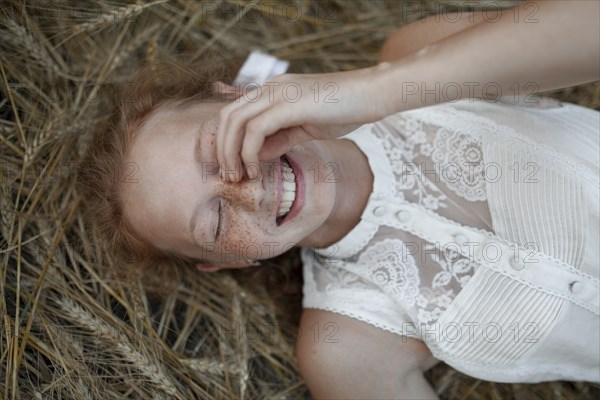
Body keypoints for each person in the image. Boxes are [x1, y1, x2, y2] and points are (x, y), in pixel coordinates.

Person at [78, 1, 599, 398]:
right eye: (214, 220)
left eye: (221, 150)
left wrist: (375, 90)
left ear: (237, 96)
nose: (249, 188)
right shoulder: (346, 348)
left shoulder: (411, 66)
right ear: (225, 262)